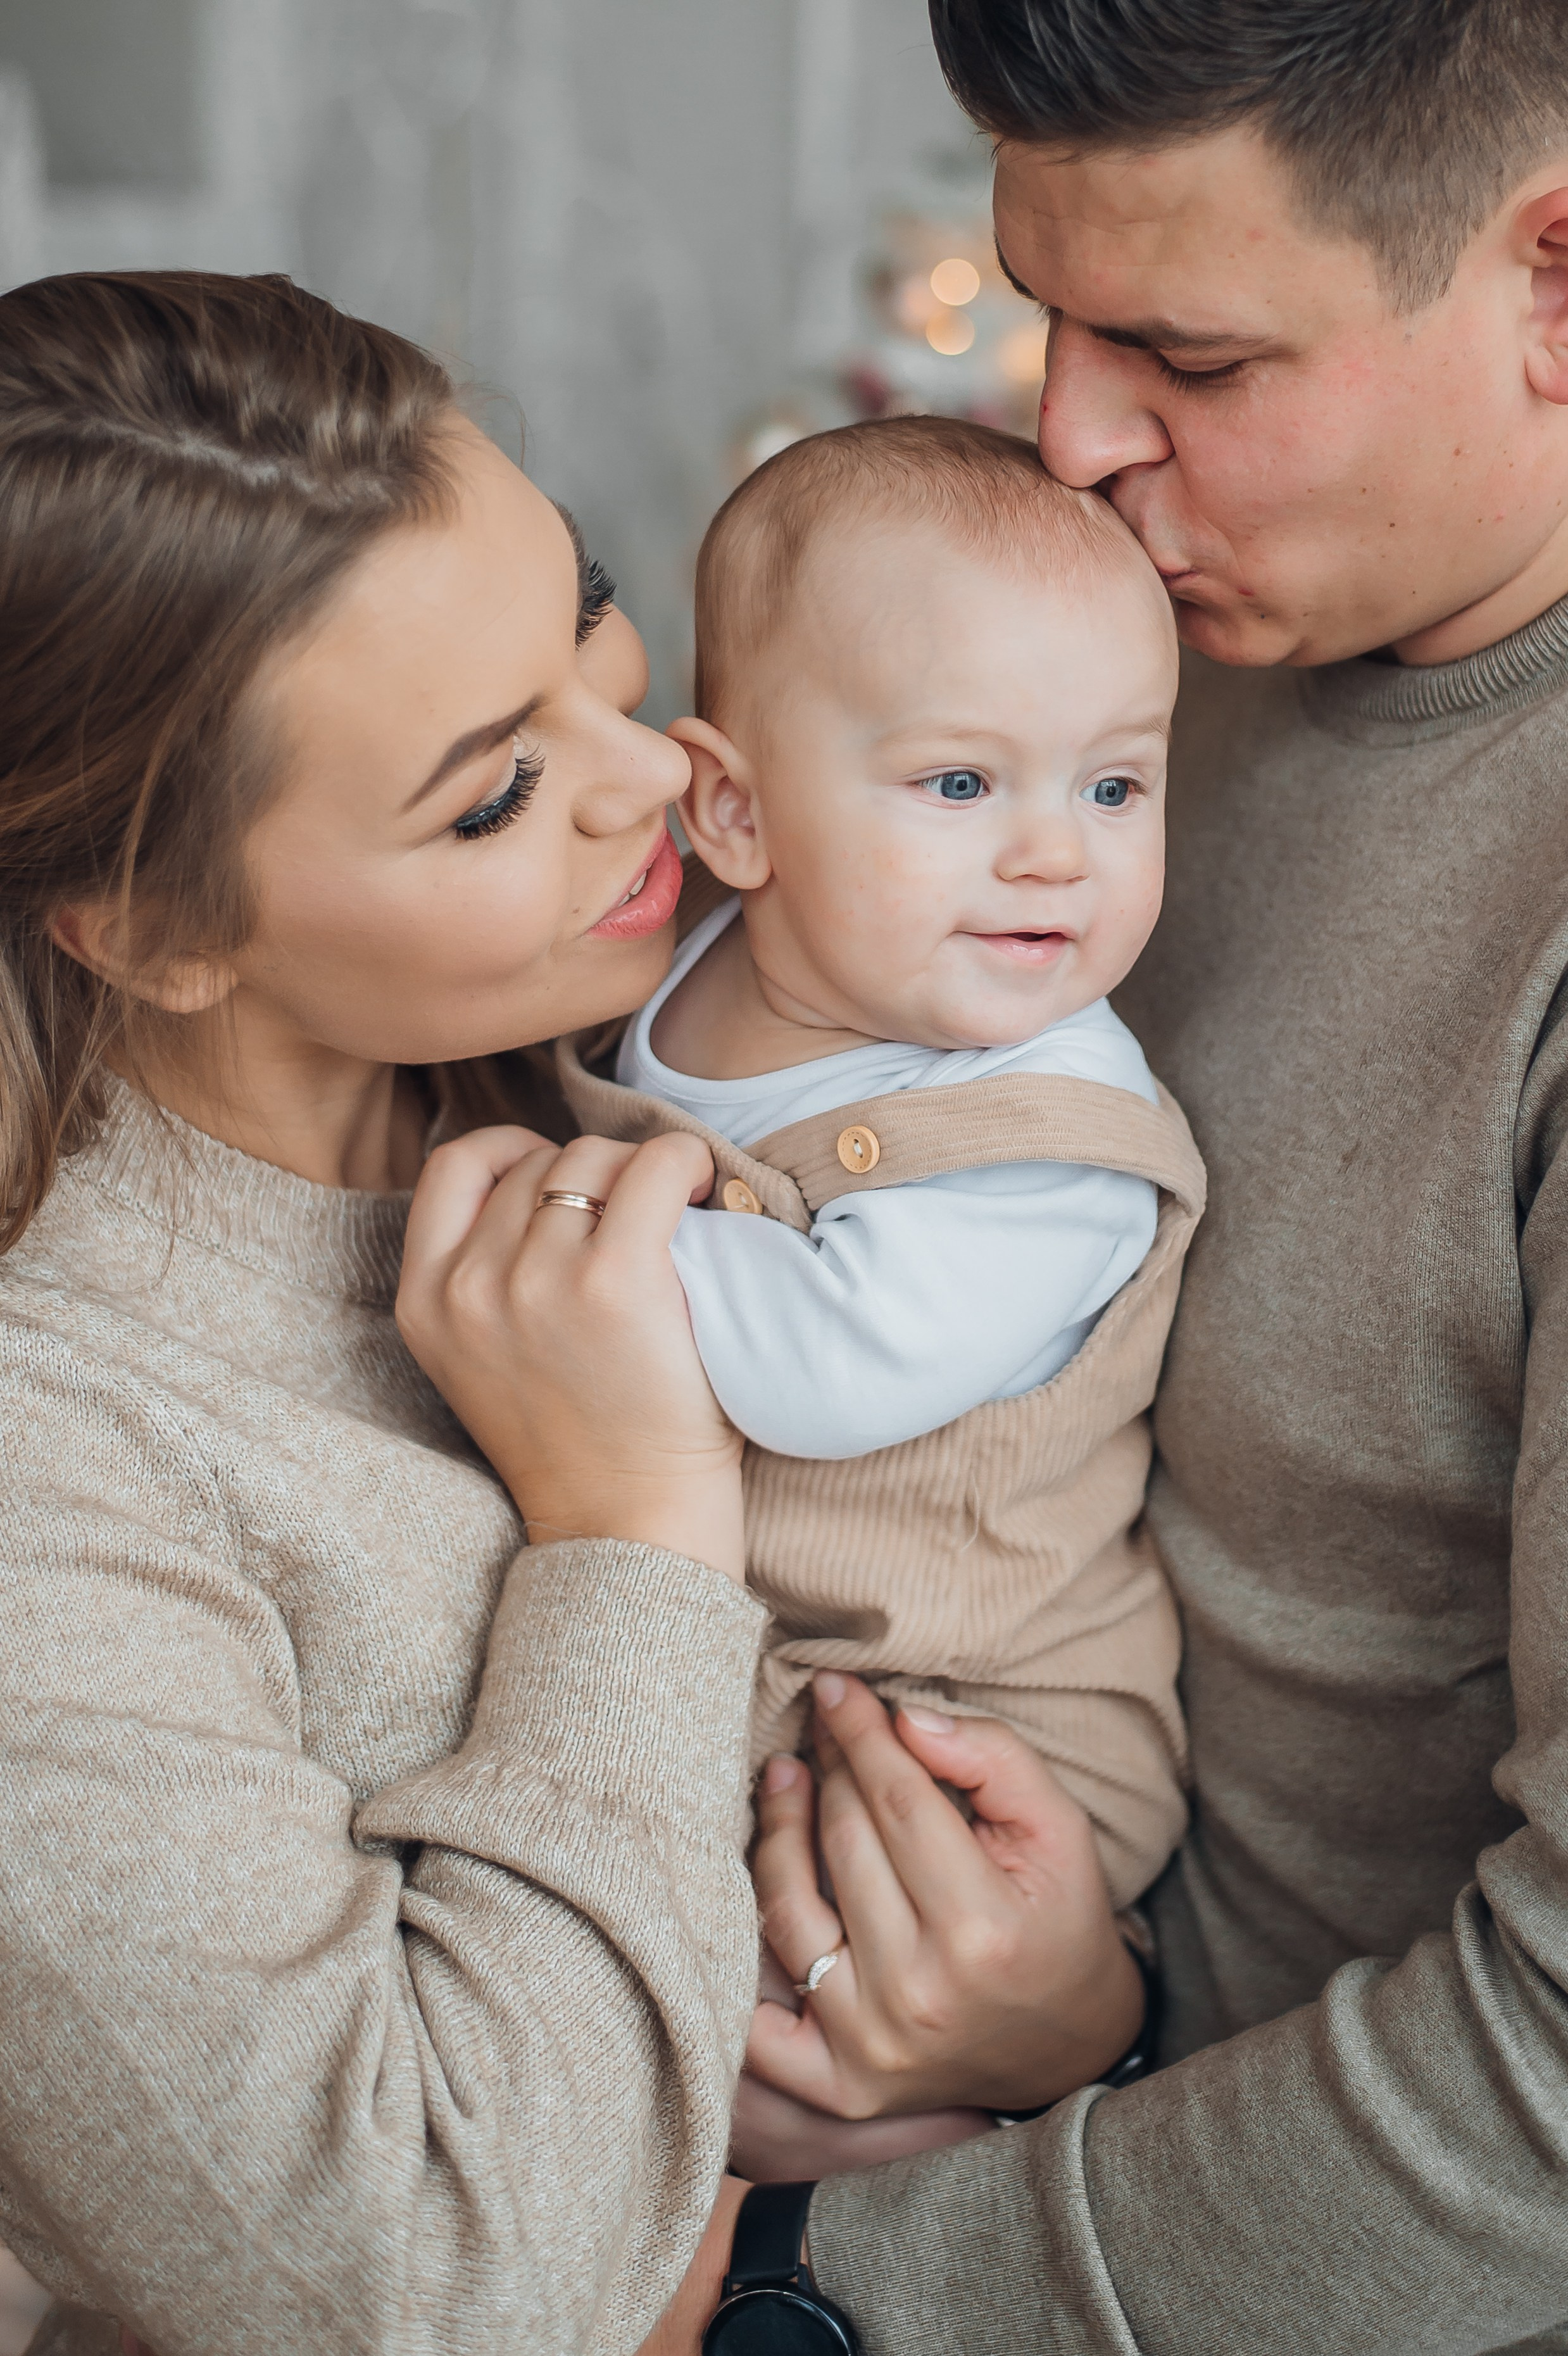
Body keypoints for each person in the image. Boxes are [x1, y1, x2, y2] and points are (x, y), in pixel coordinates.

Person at [648, 1, 1568, 2350]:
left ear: (1551, 282)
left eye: (1181, 349)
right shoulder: (1084, 668)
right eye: (1044, 311)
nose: (1062, 434)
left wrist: (801, 2295)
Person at [0, 267, 771, 2356]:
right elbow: (437, 2282)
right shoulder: (52, 1455)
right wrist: (627, 1535)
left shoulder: (692, 1051)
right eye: (492, 794)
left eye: (587, 609)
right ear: (154, 931)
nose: (648, 769)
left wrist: (1073, 1978)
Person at [561, 413, 1201, 1917]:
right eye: (962, 786)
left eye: (1115, 788)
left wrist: (573, 1227)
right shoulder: (684, 959)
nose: (1057, 853)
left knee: (819, 2024)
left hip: (977, 1727)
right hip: (780, 1672)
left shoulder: (1050, 1136)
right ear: (735, 811)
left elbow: (825, 1367)